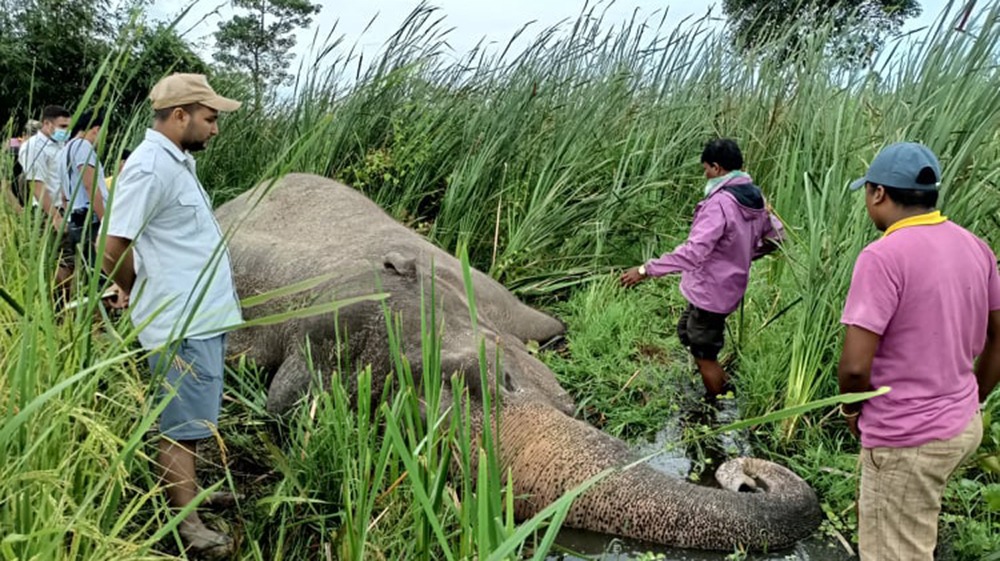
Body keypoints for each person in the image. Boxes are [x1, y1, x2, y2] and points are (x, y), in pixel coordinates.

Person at [837, 142, 1000, 561]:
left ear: (878, 193)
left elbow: (855, 369)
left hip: (908, 436)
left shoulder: (883, 256)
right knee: (912, 525)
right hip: (962, 425)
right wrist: (974, 398)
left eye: (867, 192)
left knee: (895, 553)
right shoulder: (975, 246)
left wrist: (852, 412)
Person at [102, 73, 243, 559]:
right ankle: (187, 524)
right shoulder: (149, 169)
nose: (215, 129)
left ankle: (191, 493)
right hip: (180, 320)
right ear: (179, 114)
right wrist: (134, 289)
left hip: (200, 316)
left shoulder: (176, 163)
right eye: (210, 118)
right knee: (179, 425)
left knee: (194, 418)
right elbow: (113, 246)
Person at [620, 139, 783, 397]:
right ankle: (722, 382)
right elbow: (777, 237)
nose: (704, 174)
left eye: (706, 168)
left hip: (711, 292)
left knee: (704, 353)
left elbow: (693, 252)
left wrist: (644, 270)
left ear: (717, 168)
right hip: (723, 289)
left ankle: (717, 404)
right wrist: (743, 255)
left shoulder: (720, 204)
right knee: (687, 331)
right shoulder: (755, 197)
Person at [59, 108, 110, 270]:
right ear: (96, 129)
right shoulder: (83, 147)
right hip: (91, 221)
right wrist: (105, 222)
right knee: (99, 271)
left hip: (76, 219)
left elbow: (63, 193)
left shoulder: (64, 150)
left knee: (83, 271)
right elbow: (90, 186)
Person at [18, 106, 71, 226]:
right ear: (47, 123)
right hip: (48, 211)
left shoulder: (60, 144)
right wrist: (56, 217)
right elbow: (37, 185)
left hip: (66, 208)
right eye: (62, 126)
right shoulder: (33, 147)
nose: (66, 130)